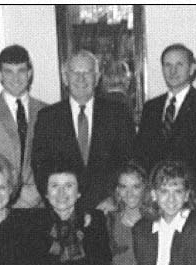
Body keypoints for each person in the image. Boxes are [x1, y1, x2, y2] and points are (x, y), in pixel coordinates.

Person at [31, 50, 135, 211]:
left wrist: (115, 198)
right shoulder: (48, 117)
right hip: (63, 209)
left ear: (97, 77)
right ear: (65, 78)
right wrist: (59, 200)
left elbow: (128, 161)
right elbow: (40, 167)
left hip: (108, 209)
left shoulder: (118, 113)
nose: (81, 78)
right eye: (75, 73)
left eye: (87, 72)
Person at [135, 44, 196, 211]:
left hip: (195, 199)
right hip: (157, 201)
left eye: (179, 65)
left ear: (191, 69)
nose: (173, 71)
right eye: (167, 65)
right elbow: (142, 154)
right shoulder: (151, 108)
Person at [0, 44, 48, 208]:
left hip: (40, 201)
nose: (16, 78)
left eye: (21, 71)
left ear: (30, 73)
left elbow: (52, 160)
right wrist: (12, 196)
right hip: (0, 202)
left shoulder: (46, 111)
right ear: (0, 75)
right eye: (8, 71)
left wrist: (37, 192)